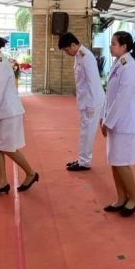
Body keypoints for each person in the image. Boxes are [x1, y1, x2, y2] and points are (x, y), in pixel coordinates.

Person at [0, 33, 38, 195]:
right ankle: (3, 182)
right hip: (4, 112)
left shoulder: (1, 64)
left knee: (7, 148)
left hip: (8, 112)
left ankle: (31, 173)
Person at [101, 30, 135, 217]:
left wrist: (108, 122)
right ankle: (121, 198)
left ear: (124, 47)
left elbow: (122, 98)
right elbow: (109, 95)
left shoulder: (129, 67)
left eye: (114, 43)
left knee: (121, 163)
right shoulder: (119, 63)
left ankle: (134, 197)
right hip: (117, 122)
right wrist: (103, 117)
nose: (111, 46)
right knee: (115, 161)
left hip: (127, 123)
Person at [58, 32, 105, 172]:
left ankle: (84, 162)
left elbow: (93, 82)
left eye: (66, 50)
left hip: (91, 102)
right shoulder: (79, 55)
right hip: (86, 101)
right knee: (85, 132)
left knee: (88, 132)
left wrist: (91, 105)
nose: (66, 53)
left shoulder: (86, 57)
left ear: (73, 45)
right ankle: (82, 159)